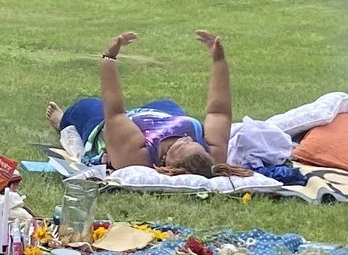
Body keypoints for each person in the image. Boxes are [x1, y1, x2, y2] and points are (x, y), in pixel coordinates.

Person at [50, 31, 238, 177]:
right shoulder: (211, 154)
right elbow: (219, 112)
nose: (186, 138)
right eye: (194, 142)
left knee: (86, 107)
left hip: (113, 128)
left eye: (180, 147)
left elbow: (115, 112)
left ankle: (62, 122)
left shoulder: (138, 156)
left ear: (167, 166)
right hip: (161, 115)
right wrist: (219, 60)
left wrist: (109, 59)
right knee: (168, 103)